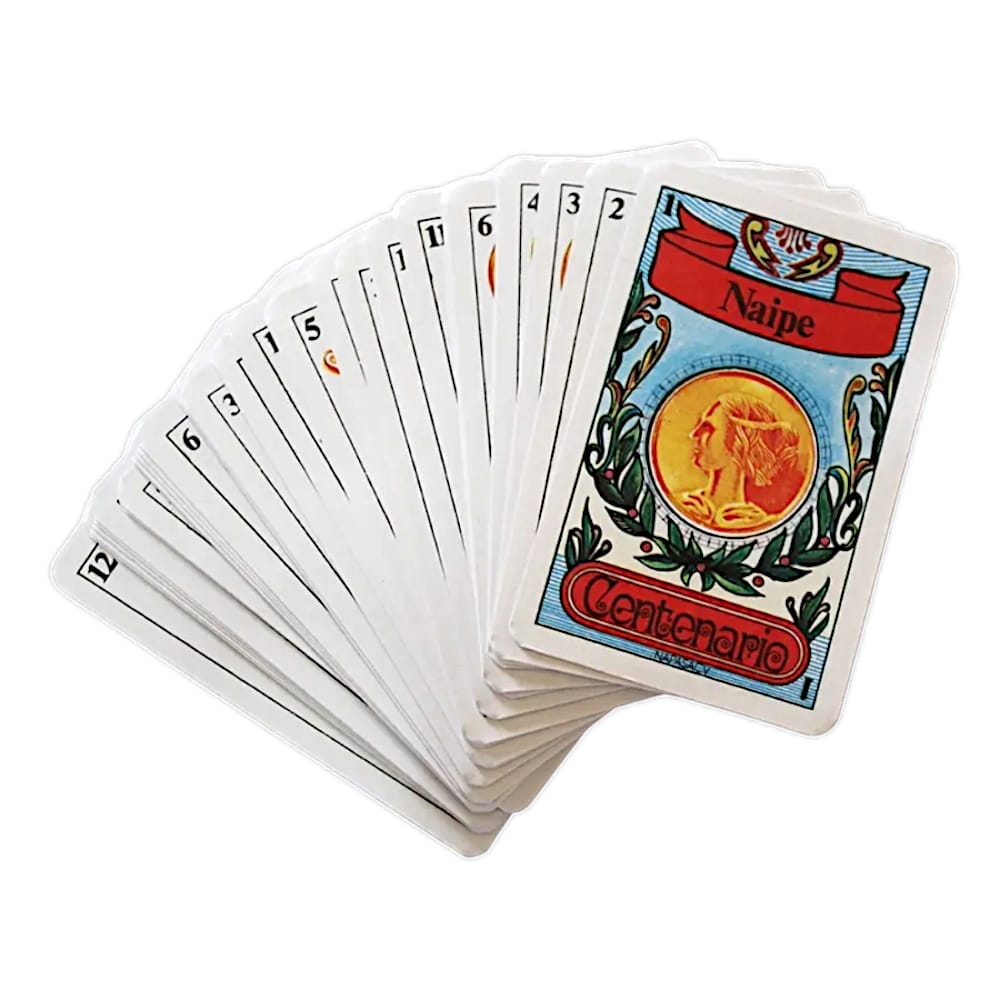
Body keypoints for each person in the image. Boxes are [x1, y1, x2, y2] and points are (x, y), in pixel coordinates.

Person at [681, 392, 801, 531]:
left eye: (708, 427)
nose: (694, 434)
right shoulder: (684, 505)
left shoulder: (761, 524)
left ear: (739, 439)